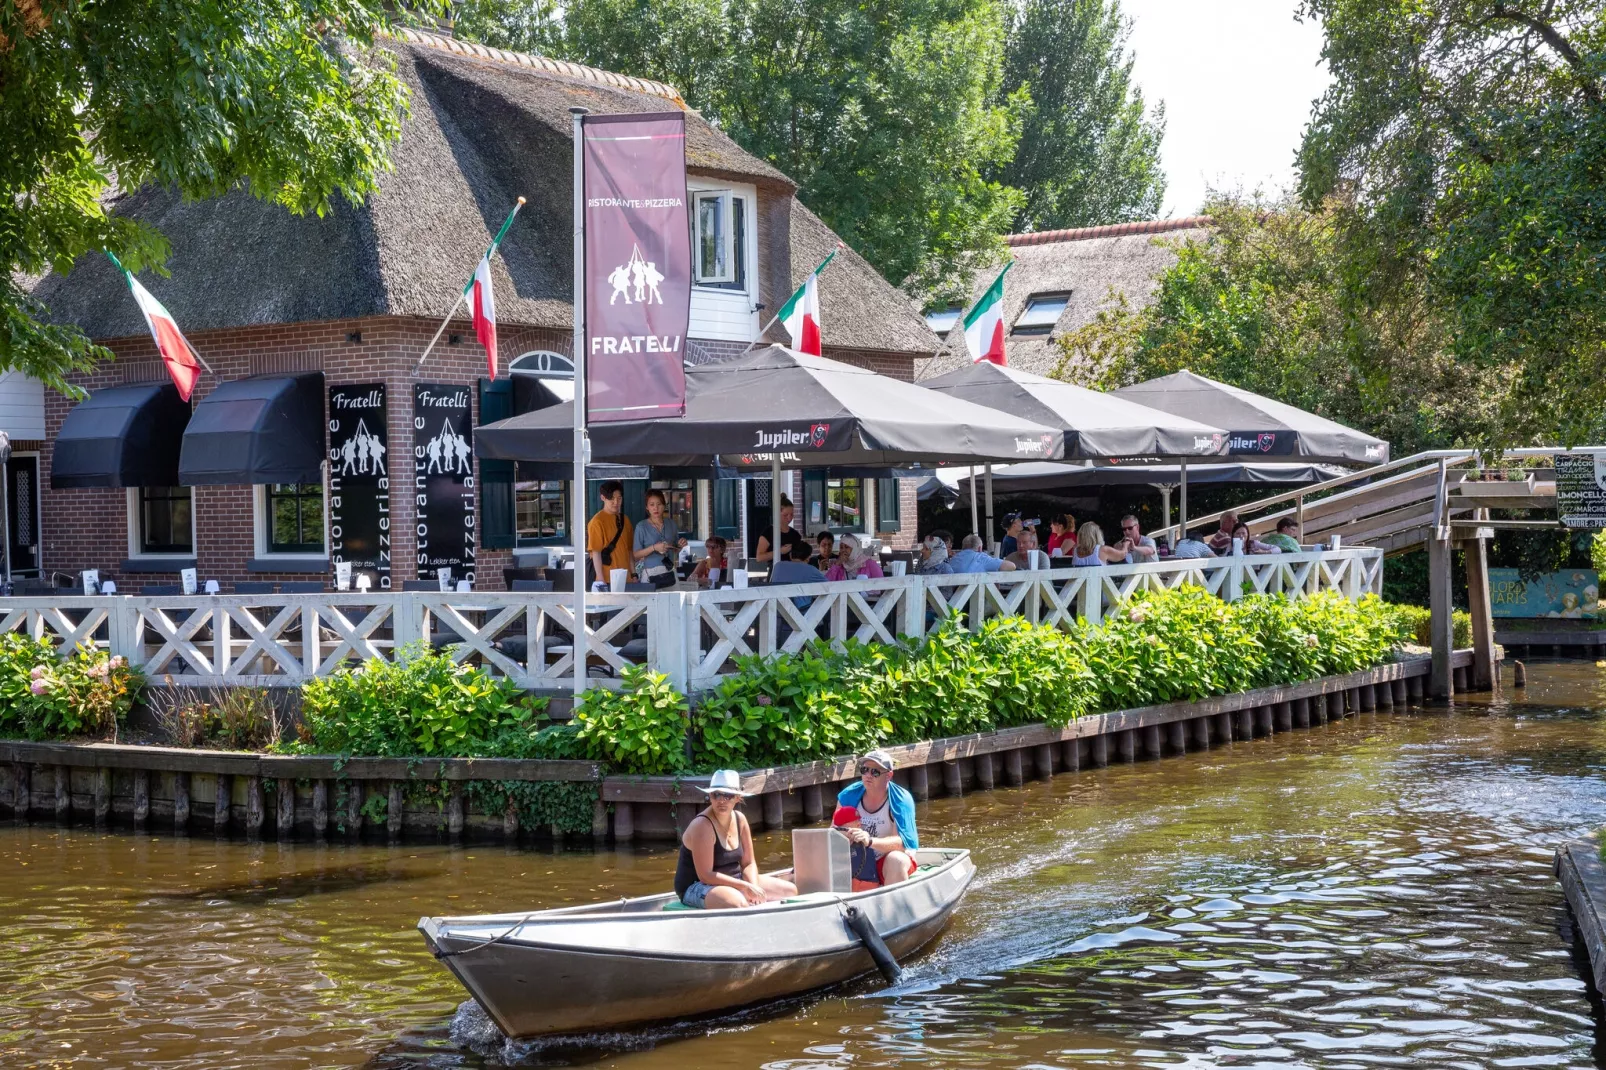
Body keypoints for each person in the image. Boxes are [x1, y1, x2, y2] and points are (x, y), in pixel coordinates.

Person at [674, 770, 798, 909]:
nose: (721, 800)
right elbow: (705, 875)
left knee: (790, 891)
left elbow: (748, 863)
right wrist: (744, 886)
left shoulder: (740, 819)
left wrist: (753, 886)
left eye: (728, 795)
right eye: (716, 794)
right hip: (697, 886)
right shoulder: (702, 825)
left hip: (735, 880)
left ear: (738, 797)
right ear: (710, 796)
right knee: (737, 902)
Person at [835, 749, 918, 886]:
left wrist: (870, 841)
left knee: (896, 859)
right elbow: (832, 832)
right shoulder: (848, 795)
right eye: (865, 770)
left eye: (875, 772)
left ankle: (894, 904)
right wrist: (844, 834)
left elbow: (903, 844)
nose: (868, 775)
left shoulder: (901, 801)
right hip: (856, 859)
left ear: (889, 775)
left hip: (885, 861)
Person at [586, 480, 634, 587]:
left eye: (619, 498)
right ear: (603, 497)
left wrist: (634, 574)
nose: (616, 502)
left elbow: (629, 550)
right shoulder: (596, 522)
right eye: (611, 498)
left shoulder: (626, 520)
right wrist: (601, 579)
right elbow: (596, 553)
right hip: (607, 579)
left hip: (627, 578)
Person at [632, 489, 679, 588]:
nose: (655, 508)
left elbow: (676, 550)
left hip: (670, 571)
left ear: (664, 505)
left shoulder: (671, 524)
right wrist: (653, 548)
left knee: (674, 602)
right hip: (650, 572)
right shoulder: (641, 526)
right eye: (652, 505)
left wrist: (680, 546)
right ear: (647, 507)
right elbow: (636, 554)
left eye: (659, 504)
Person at [754, 495, 805, 563]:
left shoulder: (795, 534)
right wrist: (779, 551)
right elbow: (759, 557)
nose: (789, 518)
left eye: (792, 515)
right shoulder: (768, 533)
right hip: (775, 571)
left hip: (792, 571)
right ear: (777, 514)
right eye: (785, 515)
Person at [949, 533, 1016, 573]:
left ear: (963, 547)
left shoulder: (954, 558)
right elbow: (1012, 566)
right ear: (979, 548)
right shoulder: (980, 557)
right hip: (975, 595)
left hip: (954, 595)